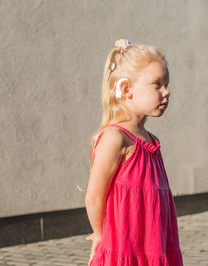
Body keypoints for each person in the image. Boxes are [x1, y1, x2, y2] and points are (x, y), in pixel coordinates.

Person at [84, 38, 184, 265]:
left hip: (153, 250)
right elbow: (94, 196)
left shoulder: (152, 143)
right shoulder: (115, 138)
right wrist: (101, 235)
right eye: (157, 84)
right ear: (126, 89)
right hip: (124, 252)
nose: (166, 92)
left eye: (166, 84)